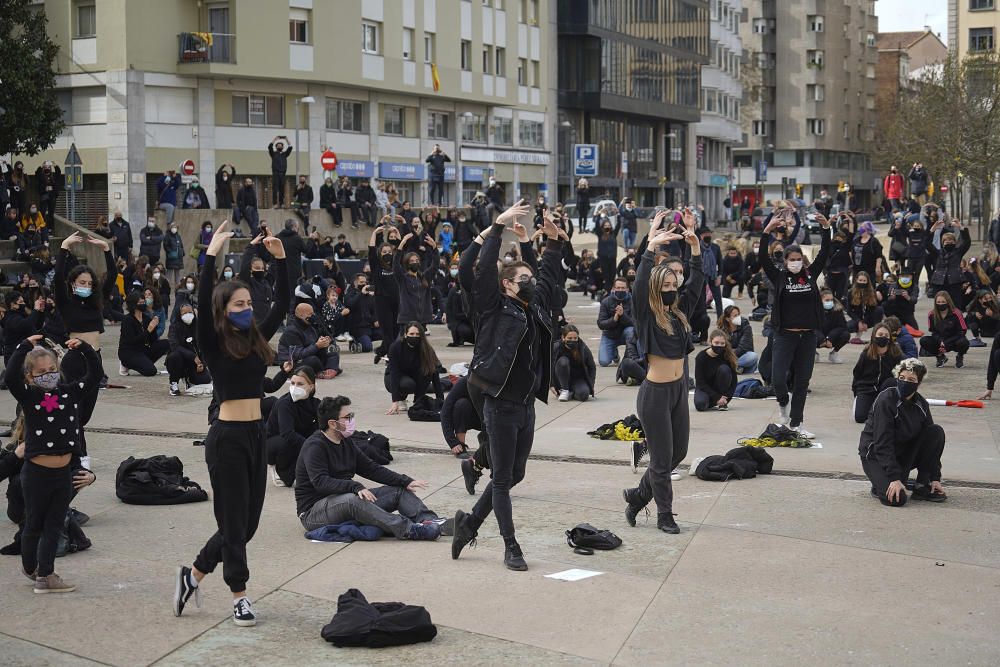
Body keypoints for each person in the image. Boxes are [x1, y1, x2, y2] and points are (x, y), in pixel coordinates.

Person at [172, 220, 289, 627]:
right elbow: (203, 304)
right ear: (224, 310)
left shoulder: (257, 339)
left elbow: (282, 304)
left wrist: (280, 260)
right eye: (238, 304)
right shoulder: (212, 340)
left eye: (248, 303)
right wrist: (209, 256)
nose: (247, 309)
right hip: (227, 440)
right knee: (234, 524)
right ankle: (239, 595)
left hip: (257, 435)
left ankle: (193, 574)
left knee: (247, 525)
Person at [450, 203, 565, 571]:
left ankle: (468, 524)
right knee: (502, 479)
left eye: (530, 280)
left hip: (525, 406)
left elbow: (547, 277)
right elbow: (480, 270)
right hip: (498, 403)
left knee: (515, 474)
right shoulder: (493, 307)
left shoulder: (536, 307)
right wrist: (496, 230)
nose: (530, 284)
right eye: (522, 280)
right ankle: (511, 546)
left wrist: (547, 243)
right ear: (506, 285)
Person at [620, 210, 702, 534]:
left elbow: (696, 287)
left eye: (674, 282)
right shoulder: (646, 315)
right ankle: (664, 514)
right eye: (666, 283)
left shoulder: (679, 314)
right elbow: (640, 285)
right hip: (654, 395)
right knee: (661, 460)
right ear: (657, 287)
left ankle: (639, 495)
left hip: (679, 390)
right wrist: (650, 247)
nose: (672, 286)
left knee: (677, 453)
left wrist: (695, 249)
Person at [5, 335, 101, 593]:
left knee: (54, 525)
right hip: (36, 474)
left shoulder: (68, 393)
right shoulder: (30, 397)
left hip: (62, 474)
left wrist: (86, 350)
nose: (48, 376)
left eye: (52, 371)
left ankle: (45, 575)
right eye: (41, 373)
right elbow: (10, 376)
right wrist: (24, 345)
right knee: (34, 523)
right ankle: (30, 567)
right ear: (30, 377)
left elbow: (94, 376)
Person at [295, 395, 442, 538]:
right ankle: (410, 530)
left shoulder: (346, 442)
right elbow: (321, 482)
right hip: (313, 512)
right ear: (332, 423)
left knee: (398, 492)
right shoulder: (314, 446)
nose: (352, 420)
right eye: (348, 417)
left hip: (345, 500)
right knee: (352, 499)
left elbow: (371, 468)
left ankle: (431, 522)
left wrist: (405, 481)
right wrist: (355, 486)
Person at [758, 208, 831, 438]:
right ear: (786, 261)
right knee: (778, 379)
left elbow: (824, 253)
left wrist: (826, 228)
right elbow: (762, 257)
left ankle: (796, 423)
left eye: (799, 259)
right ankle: (783, 408)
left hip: (807, 336)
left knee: (802, 381)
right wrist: (766, 232)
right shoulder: (779, 276)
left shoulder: (810, 275)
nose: (796, 263)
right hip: (784, 335)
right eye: (792, 260)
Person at [54, 232, 117, 460]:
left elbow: (112, 276)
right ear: (73, 285)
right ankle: (80, 455)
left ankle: (72, 449)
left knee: (85, 413)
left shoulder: (95, 304)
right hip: (74, 361)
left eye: (89, 284)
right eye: (82, 283)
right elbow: (57, 277)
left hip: (95, 360)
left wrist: (106, 250)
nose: (87, 286)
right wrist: (64, 247)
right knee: (74, 410)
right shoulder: (66, 302)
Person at [859, 358, 946, 506]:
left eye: (911, 379)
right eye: (902, 378)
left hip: (902, 452)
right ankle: (881, 483)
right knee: (896, 499)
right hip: (875, 455)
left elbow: (931, 443)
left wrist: (935, 478)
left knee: (936, 432)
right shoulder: (886, 399)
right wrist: (894, 478)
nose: (905, 382)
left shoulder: (921, 404)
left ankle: (921, 484)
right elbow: (882, 442)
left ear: (918, 383)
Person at [265, 366, 319, 487]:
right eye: (293, 383)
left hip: (295, 438)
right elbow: (287, 434)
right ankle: (281, 471)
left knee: (318, 431)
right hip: (273, 443)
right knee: (291, 441)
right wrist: (312, 447)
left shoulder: (314, 403)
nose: (295, 387)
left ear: (311, 387)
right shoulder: (285, 404)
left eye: (300, 384)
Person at [384, 323, 443, 414]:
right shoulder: (396, 347)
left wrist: (440, 400)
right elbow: (394, 374)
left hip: (414, 375)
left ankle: (418, 401)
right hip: (394, 377)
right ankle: (401, 399)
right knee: (408, 384)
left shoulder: (427, 349)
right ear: (405, 334)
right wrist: (395, 401)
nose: (414, 337)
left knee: (427, 372)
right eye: (411, 334)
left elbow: (435, 375)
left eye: (417, 334)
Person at [851, 323, 903, 423]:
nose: (883, 337)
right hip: (867, 390)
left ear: (890, 338)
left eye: (886, 335)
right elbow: (857, 374)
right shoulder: (866, 354)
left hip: (885, 391)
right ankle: (869, 406)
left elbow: (902, 372)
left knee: (891, 381)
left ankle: (883, 408)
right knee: (860, 417)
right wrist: (856, 392)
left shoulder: (896, 353)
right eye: (880, 334)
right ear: (874, 335)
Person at [277, 302, 341, 379]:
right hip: (292, 365)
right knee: (313, 360)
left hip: (308, 356)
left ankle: (330, 370)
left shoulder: (309, 326)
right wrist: (317, 345)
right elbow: (298, 355)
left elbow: (315, 345)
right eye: (310, 314)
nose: (313, 316)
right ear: (301, 315)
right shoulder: (291, 331)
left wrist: (324, 342)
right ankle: (324, 370)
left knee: (332, 352)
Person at [393, 222, 439, 329]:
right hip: (407, 319)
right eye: (412, 261)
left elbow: (435, 265)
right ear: (406, 263)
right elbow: (395, 265)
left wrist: (434, 248)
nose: (415, 262)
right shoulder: (402, 278)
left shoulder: (425, 276)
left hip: (423, 318)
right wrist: (401, 245)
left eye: (417, 260)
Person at [369, 223, 400, 364]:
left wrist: (397, 234)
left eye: (389, 251)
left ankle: (382, 351)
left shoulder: (396, 263)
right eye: (384, 251)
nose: (387, 253)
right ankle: (391, 356)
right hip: (382, 302)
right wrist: (375, 233)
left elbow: (401, 250)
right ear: (380, 254)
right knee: (387, 331)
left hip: (397, 301)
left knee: (396, 329)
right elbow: (371, 250)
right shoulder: (376, 265)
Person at [118, 291, 169, 377]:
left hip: (142, 350)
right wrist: (148, 330)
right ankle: (125, 364)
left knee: (168, 343)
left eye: (143, 302)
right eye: (140, 303)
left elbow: (153, 340)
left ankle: (145, 362)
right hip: (129, 352)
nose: (143, 304)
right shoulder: (127, 320)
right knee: (151, 371)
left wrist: (154, 326)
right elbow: (133, 341)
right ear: (133, 304)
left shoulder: (146, 318)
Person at [166, 302, 212, 396]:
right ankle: (173, 383)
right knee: (175, 356)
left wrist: (202, 363)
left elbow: (204, 346)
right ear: (179, 315)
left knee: (205, 379)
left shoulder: (198, 326)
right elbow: (174, 346)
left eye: (190, 312)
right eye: (184, 313)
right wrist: (193, 356)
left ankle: (188, 379)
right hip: (179, 360)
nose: (188, 315)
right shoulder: (174, 327)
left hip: (195, 362)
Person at [920, 291, 970, 368]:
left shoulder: (957, 313)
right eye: (938, 302)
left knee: (964, 342)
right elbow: (933, 332)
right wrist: (941, 341)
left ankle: (960, 357)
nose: (940, 304)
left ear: (948, 301)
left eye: (943, 302)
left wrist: (947, 342)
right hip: (940, 340)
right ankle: (940, 356)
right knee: (924, 340)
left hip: (955, 340)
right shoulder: (931, 314)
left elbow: (962, 331)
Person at [694, 330, 738, 412]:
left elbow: (734, 380)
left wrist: (726, 397)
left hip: (721, 390)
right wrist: (716, 397)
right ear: (710, 342)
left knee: (724, 369)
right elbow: (700, 381)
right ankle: (716, 401)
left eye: (722, 343)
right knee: (700, 405)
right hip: (705, 388)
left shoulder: (727, 355)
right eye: (716, 343)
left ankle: (721, 403)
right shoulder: (701, 357)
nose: (719, 345)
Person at [596, 277, 635, 366]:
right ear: (613, 289)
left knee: (631, 331)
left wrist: (623, 315)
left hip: (626, 334)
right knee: (604, 362)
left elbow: (636, 324)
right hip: (610, 335)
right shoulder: (606, 302)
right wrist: (614, 319)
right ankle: (614, 353)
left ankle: (628, 356)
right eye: (618, 288)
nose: (620, 290)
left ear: (627, 289)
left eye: (623, 288)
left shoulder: (633, 301)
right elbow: (601, 324)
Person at [552, 325, 596, 402]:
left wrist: (591, 385)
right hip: (561, 379)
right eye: (569, 338)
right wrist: (551, 384)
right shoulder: (556, 347)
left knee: (584, 395)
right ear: (563, 337)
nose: (572, 340)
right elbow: (548, 366)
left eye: (575, 338)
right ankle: (565, 390)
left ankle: (571, 393)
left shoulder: (582, 347)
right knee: (563, 361)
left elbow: (592, 367)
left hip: (577, 379)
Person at [718, 305, 757, 373]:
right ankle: (735, 368)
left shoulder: (746, 326)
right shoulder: (722, 330)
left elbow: (744, 347)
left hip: (742, 357)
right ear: (727, 319)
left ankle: (731, 367)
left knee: (753, 356)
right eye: (735, 315)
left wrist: (731, 355)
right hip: (730, 358)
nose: (738, 317)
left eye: (738, 314)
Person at [845, 272, 884, 340]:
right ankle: (859, 332)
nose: (862, 282)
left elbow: (872, 309)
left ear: (867, 281)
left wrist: (865, 321)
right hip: (857, 318)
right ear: (856, 280)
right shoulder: (850, 292)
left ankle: (876, 333)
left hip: (870, 318)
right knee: (847, 327)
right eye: (860, 280)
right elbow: (849, 311)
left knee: (879, 309)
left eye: (864, 281)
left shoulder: (872, 292)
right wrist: (859, 321)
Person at [268, 136, 293, 207]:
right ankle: (275, 203)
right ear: (276, 147)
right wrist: (275, 139)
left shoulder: (285, 154)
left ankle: (281, 203)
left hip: (283, 174)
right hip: (275, 173)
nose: (279, 146)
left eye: (281, 145)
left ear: (282, 147)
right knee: (275, 189)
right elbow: (270, 146)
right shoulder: (273, 154)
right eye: (278, 145)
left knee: (282, 189)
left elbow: (290, 147)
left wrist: (286, 139)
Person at [162, 222, 186, 287]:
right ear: (170, 228)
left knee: (177, 275)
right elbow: (165, 245)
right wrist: (170, 252)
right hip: (171, 258)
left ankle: (177, 288)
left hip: (178, 258)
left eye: (175, 227)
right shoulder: (167, 236)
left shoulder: (178, 236)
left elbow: (181, 245)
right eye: (173, 227)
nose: (174, 229)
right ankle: (165, 287)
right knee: (169, 274)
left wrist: (182, 253)